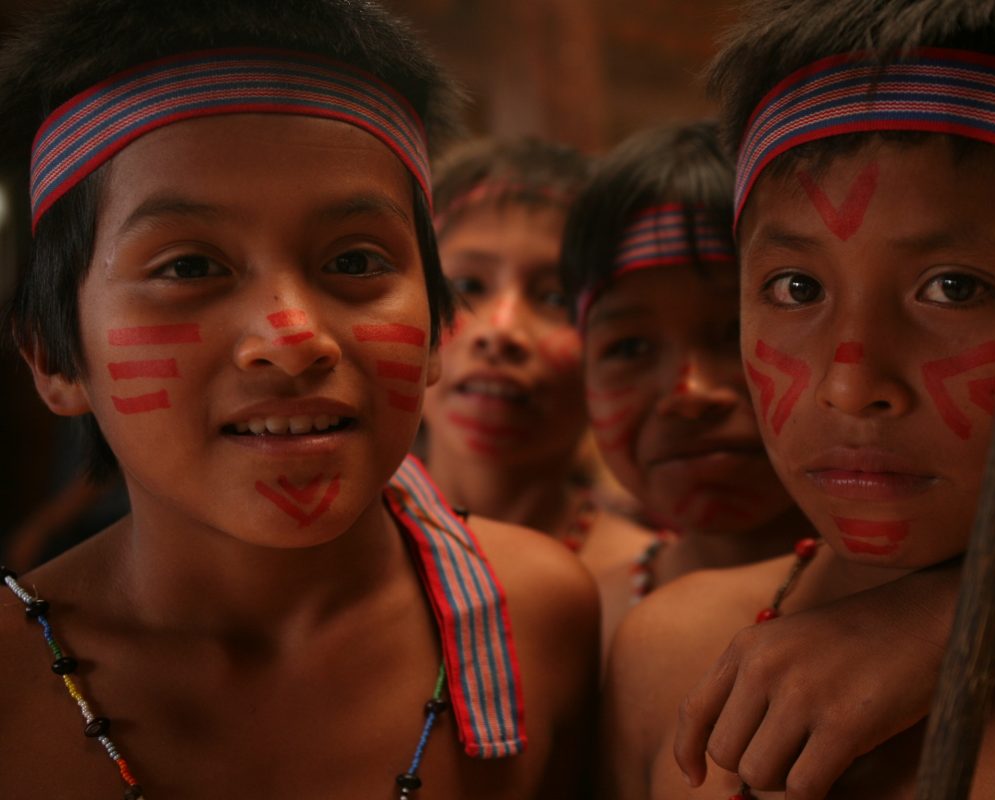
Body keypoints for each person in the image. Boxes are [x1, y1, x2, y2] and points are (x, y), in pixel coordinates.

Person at [0, 1, 597, 797]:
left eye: (354, 262)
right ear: (54, 356)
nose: (292, 338)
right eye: (188, 267)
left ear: (436, 330)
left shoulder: (537, 620)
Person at [605, 1, 995, 797]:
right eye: (796, 287)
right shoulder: (667, 656)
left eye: (954, 288)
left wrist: (938, 622)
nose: (851, 387)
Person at [561, 121, 813, 652]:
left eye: (736, 330)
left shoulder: (931, 607)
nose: (692, 393)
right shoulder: (575, 626)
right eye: (629, 347)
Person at [420, 137, 605, 548]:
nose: (500, 331)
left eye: (556, 299)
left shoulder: (653, 575)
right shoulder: (318, 554)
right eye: (467, 286)